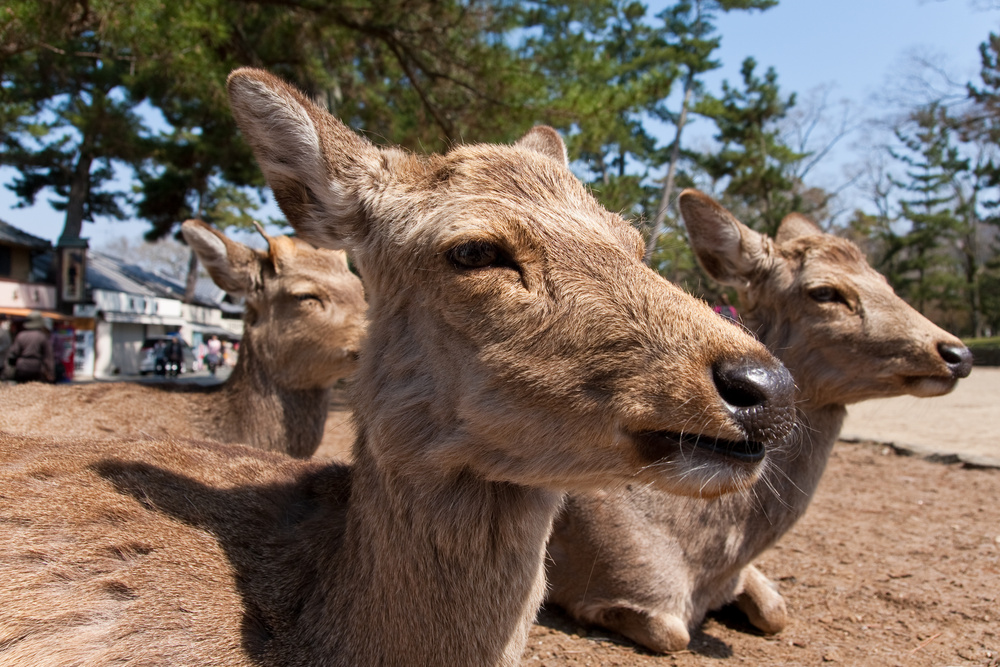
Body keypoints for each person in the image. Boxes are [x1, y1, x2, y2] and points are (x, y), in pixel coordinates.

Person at [5, 310, 55, 383]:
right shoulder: (42, 337)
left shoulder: (21, 335)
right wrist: (51, 372)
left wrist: (11, 366)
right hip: (37, 367)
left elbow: (13, 353)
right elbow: (48, 357)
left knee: (21, 390)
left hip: (21, 367)